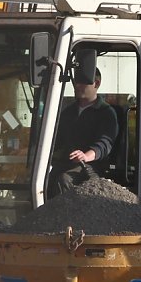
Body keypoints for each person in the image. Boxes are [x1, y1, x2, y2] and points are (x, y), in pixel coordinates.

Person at [47, 67, 119, 197]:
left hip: (92, 167)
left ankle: (68, 217)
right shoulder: (68, 112)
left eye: (83, 82)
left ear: (96, 84)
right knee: (43, 179)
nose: (77, 86)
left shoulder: (106, 113)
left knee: (64, 180)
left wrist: (86, 156)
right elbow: (56, 140)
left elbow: (104, 144)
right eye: (76, 82)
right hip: (66, 163)